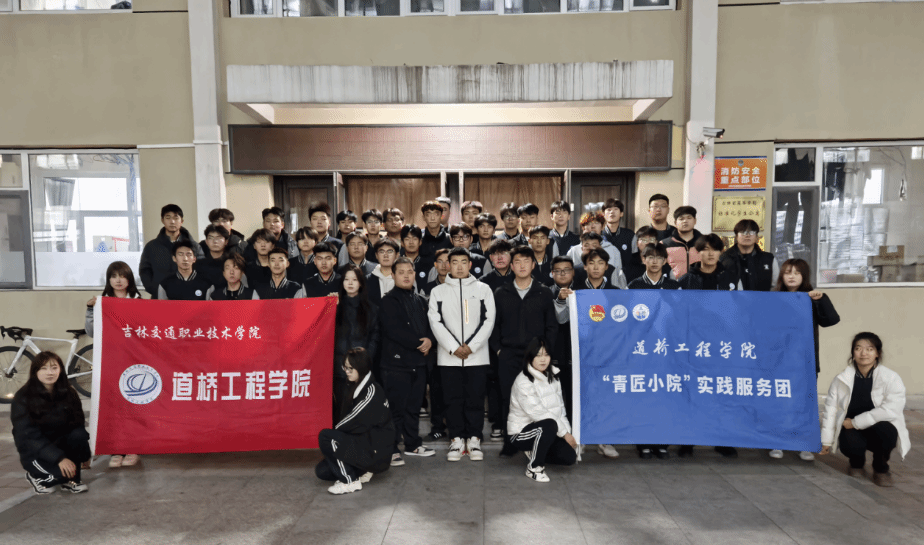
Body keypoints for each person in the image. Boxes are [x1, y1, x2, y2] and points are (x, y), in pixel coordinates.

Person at [427, 247, 496, 462]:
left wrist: (471, 346)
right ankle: (456, 439)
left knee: (475, 399)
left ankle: (474, 439)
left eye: (463, 262)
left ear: (470, 265)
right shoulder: (438, 291)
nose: (458, 266)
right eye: (454, 262)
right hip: (449, 357)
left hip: (477, 356)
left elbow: (489, 320)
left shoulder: (483, 289)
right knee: (452, 400)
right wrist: (453, 347)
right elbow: (435, 322)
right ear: (448, 265)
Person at [768, 258, 841, 461]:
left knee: (804, 403)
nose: (792, 276)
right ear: (781, 276)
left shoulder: (812, 297)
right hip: (779, 361)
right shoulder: (773, 297)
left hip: (805, 362)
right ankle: (777, 442)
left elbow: (831, 320)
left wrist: (821, 300)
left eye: (797, 273)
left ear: (804, 276)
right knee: (780, 402)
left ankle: (804, 443)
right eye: (788, 272)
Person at [490, 246, 558, 456]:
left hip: (535, 357)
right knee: (508, 398)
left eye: (526, 261)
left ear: (533, 265)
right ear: (511, 266)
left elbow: (551, 326)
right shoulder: (501, 293)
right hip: (508, 355)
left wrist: (545, 354)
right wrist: (499, 350)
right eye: (517, 262)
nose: (522, 266)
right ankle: (510, 443)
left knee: (538, 398)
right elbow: (493, 326)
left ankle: (537, 442)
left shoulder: (544, 292)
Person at [820, 333, 910, 487]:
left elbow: (891, 409)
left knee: (888, 432)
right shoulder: (841, 379)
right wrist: (826, 440)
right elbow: (831, 409)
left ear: (877, 353)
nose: (863, 353)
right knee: (850, 445)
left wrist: (856, 422)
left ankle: (881, 469)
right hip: (850, 427)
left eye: (869, 349)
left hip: (876, 426)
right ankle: (856, 463)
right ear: (853, 353)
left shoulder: (891, 378)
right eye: (858, 348)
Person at [84, 261, 143, 468]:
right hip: (109, 362)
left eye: (122, 275)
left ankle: (133, 447)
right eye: (114, 276)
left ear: (129, 279)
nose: (118, 280)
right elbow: (91, 331)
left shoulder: (138, 301)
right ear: (109, 280)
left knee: (133, 405)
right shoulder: (101, 302)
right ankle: (116, 449)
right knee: (112, 407)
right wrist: (90, 309)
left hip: (133, 361)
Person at [380, 257, 438, 466]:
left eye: (409, 272)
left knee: (413, 407)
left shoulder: (421, 300)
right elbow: (393, 330)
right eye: (401, 272)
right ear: (393, 275)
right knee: (396, 410)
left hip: (419, 363)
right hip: (396, 364)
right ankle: (392, 448)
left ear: (414, 274)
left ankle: (413, 444)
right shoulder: (388, 301)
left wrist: (430, 340)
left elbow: (432, 325)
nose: (406, 276)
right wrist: (420, 343)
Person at [315, 348, 394, 495]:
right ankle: (363, 470)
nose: (347, 371)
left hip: (376, 451)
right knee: (322, 471)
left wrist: (335, 439)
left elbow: (352, 420)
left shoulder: (372, 390)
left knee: (326, 437)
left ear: (361, 367)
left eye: (350, 368)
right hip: (364, 443)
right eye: (345, 367)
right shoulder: (352, 385)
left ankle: (350, 481)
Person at [12, 352, 91, 494]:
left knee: (77, 435)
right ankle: (35, 475)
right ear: (35, 371)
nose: (50, 372)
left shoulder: (69, 393)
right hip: (34, 450)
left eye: (54, 368)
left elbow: (78, 425)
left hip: (59, 445)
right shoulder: (23, 397)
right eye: (43, 368)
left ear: (60, 370)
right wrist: (59, 459)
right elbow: (29, 436)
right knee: (54, 479)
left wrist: (84, 454)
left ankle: (70, 480)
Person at [508, 338, 578, 482]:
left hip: (546, 429)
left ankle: (536, 450)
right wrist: (564, 434)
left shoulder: (553, 376)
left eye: (546, 355)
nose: (543, 359)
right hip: (521, 433)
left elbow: (560, 409)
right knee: (549, 424)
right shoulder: (523, 381)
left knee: (569, 457)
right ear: (530, 357)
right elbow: (538, 413)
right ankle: (534, 468)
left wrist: (568, 433)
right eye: (538, 355)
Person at [333, 264, 380, 420]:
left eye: (354, 279)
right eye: (346, 279)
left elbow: (374, 337)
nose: (350, 283)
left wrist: (364, 361)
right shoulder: (334, 306)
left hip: (361, 367)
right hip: (338, 368)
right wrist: (330, 305)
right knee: (339, 409)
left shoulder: (371, 309)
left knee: (359, 410)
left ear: (361, 283)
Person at [139, 204, 203, 296]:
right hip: (159, 297)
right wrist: (154, 289)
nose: (172, 221)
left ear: (182, 221)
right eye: (168, 218)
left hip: (189, 296)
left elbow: (201, 269)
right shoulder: (151, 246)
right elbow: (145, 270)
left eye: (176, 218)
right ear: (162, 220)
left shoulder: (194, 246)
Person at [719, 219, 779, 291]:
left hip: (763, 298)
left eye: (751, 232)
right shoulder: (725, 258)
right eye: (743, 232)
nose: (747, 235)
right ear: (736, 237)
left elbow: (776, 287)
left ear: (756, 237)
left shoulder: (769, 259)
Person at [661, 206, 703, 280]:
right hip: (674, 286)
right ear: (675, 223)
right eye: (681, 219)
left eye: (689, 218)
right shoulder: (664, 244)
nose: (685, 221)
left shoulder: (705, 243)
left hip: (701, 285)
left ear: (695, 221)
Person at [399, 225, 433, 293]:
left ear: (420, 242)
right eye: (407, 239)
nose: (411, 242)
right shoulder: (397, 264)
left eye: (414, 239)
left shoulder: (429, 264)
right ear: (402, 243)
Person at [602, 198, 634, 268]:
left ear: (621, 214)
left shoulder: (630, 235)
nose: (612, 212)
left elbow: (635, 259)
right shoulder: (598, 236)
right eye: (609, 209)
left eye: (615, 209)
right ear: (603, 214)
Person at [366, 238, 399, 306]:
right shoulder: (368, 279)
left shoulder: (402, 278)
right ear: (376, 255)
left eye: (390, 251)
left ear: (397, 255)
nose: (385, 255)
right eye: (381, 251)